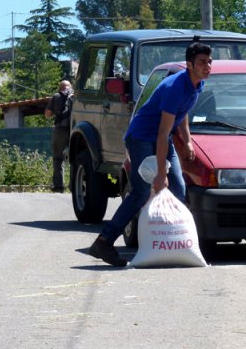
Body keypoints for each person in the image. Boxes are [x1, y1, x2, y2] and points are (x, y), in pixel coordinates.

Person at [89, 41, 213, 267]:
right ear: (189, 64)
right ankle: (104, 241)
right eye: (202, 62)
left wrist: (187, 140)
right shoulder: (175, 86)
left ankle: (173, 242)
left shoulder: (196, 84)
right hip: (142, 138)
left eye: (209, 62)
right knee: (140, 192)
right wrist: (159, 173)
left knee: (178, 188)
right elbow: (163, 131)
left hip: (161, 138)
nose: (208, 66)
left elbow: (181, 113)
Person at [45, 80, 73, 193]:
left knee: (58, 158)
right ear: (70, 87)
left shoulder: (56, 96)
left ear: (59, 88)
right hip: (75, 130)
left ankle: (58, 187)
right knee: (75, 158)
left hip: (60, 130)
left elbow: (47, 114)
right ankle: (74, 186)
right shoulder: (75, 96)